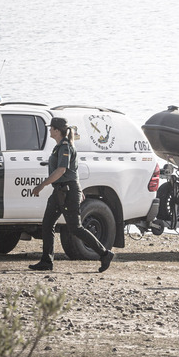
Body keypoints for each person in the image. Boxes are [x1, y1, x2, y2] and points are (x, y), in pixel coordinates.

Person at [29, 117, 114, 273]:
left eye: (51, 128)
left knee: (75, 227)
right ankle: (46, 261)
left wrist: (42, 185)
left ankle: (105, 253)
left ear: (56, 130)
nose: (49, 131)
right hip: (60, 191)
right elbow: (72, 171)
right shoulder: (59, 147)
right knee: (47, 224)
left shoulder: (65, 147)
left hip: (67, 191)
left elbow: (61, 170)